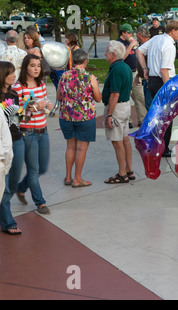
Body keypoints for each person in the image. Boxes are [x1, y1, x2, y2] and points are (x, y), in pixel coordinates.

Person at [12, 54, 53, 214]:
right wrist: (33, 107)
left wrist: (47, 104)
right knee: (33, 170)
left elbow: (45, 101)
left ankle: (21, 188)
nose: (36, 68)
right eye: (32, 65)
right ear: (25, 67)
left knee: (42, 168)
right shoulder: (18, 87)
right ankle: (40, 202)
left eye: (38, 65)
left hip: (43, 131)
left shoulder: (41, 84)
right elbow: (16, 114)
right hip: (27, 133)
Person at [137, 21, 178, 157]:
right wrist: (167, 88)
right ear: (173, 31)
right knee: (167, 117)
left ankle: (153, 144)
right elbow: (164, 70)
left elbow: (139, 51)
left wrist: (145, 68)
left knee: (156, 115)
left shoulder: (156, 38)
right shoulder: (169, 45)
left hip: (152, 80)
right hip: (162, 81)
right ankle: (163, 148)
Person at [56, 49, 102, 187]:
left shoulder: (64, 76)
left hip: (66, 116)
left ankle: (68, 177)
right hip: (85, 117)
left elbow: (58, 97)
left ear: (73, 61)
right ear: (85, 61)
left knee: (70, 146)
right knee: (81, 148)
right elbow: (98, 98)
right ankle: (77, 179)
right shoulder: (90, 77)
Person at [102, 41, 134, 183]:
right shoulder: (126, 67)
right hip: (126, 106)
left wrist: (109, 114)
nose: (105, 54)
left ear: (113, 54)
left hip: (117, 108)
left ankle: (122, 173)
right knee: (125, 139)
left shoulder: (116, 69)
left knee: (117, 141)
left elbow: (114, 94)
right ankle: (129, 170)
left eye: (107, 52)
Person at [0, 62, 18, 235]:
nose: (14, 76)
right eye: (10, 73)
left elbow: (19, 116)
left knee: (12, 182)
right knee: (4, 186)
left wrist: (35, 108)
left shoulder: (13, 94)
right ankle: (7, 221)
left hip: (16, 140)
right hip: (3, 143)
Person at [117, 24, 146, 128]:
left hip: (134, 72)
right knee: (125, 97)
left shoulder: (130, 41)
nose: (130, 35)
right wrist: (130, 46)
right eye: (128, 33)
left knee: (140, 97)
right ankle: (127, 120)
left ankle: (142, 119)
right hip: (124, 73)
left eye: (131, 33)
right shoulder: (118, 43)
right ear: (123, 32)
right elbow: (121, 58)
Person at [135, 25, 152, 111]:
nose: (136, 37)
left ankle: (152, 124)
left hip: (149, 80)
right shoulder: (144, 46)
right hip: (145, 79)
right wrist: (138, 74)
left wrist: (150, 81)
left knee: (150, 105)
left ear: (140, 34)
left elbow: (151, 63)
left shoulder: (149, 46)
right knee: (147, 104)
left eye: (137, 35)